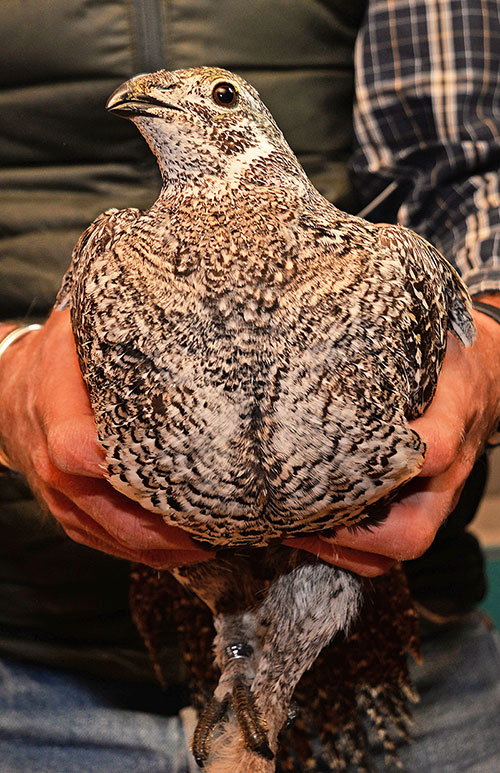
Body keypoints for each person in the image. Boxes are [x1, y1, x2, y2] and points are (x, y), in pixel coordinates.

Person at [0, 0, 499, 770]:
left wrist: (490, 351)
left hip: (421, 636)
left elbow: (467, 165)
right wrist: (8, 372)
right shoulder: (119, 247)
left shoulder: (382, 260)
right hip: (27, 662)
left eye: (219, 96)